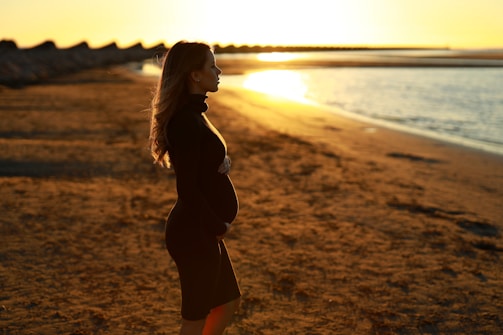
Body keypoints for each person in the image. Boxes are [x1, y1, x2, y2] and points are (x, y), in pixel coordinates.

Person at [149, 41, 240, 335]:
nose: (219, 70)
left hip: (200, 229)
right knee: (195, 317)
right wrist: (216, 225)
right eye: (212, 65)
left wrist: (222, 159)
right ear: (194, 75)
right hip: (194, 232)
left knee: (227, 303)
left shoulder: (194, 114)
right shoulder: (186, 122)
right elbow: (187, 189)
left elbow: (199, 163)